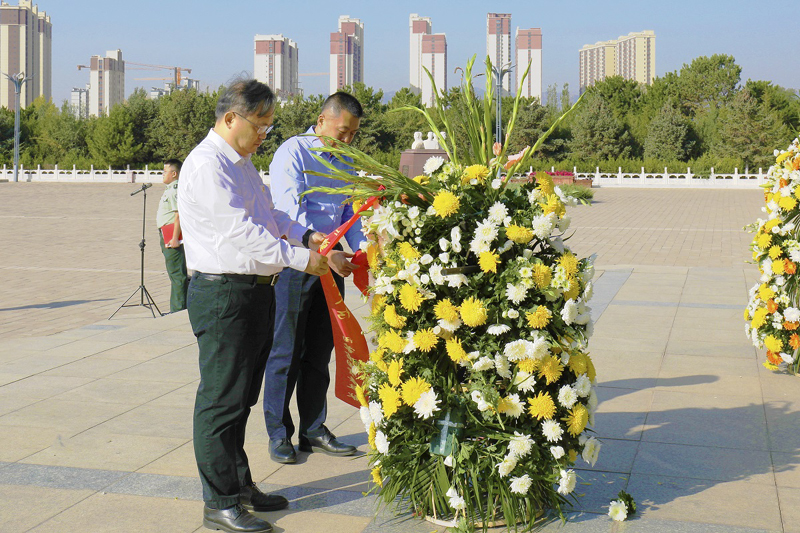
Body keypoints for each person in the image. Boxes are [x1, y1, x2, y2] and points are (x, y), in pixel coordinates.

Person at [178, 79, 344, 533]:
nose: (264, 136)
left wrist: (307, 236)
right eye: (260, 126)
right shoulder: (207, 166)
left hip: (254, 292)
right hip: (224, 295)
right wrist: (303, 260)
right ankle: (219, 503)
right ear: (231, 118)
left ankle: (239, 487)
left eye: (269, 128)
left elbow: (271, 217)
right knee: (221, 402)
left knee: (241, 400)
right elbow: (242, 233)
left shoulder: (243, 165)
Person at [263, 92, 365, 465]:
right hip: (297, 264)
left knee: (320, 351)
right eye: (343, 132)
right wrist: (326, 252)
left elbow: (349, 214)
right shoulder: (293, 153)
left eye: (353, 134)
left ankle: (313, 429)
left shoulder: (346, 161)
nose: (347, 140)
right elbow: (290, 211)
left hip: (331, 266)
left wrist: (365, 249)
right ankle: (279, 434)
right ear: (321, 121)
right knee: (286, 351)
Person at [156, 158, 188, 313]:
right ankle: (179, 307)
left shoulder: (174, 190)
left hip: (171, 235)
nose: (163, 174)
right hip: (166, 233)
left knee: (177, 274)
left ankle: (178, 310)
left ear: (174, 174)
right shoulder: (170, 189)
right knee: (174, 273)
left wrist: (174, 238)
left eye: (165, 171)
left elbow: (178, 215)